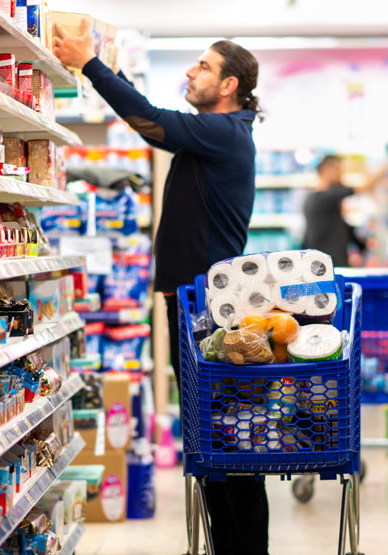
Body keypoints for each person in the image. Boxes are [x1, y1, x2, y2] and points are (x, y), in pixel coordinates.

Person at [53, 21, 268, 555]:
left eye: (204, 66)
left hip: (211, 314)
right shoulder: (214, 137)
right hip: (198, 306)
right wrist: (107, 66)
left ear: (228, 86)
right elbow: (159, 121)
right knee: (217, 443)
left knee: (228, 443)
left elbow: (150, 123)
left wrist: (91, 65)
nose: (191, 72)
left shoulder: (225, 134)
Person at [302, 148, 388, 267]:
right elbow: (363, 187)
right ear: (326, 170)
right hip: (326, 272)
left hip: (333, 269)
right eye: (337, 170)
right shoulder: (319, 199)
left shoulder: (328, 205)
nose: (340, 176)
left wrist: (362, 245)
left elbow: (343, 230)